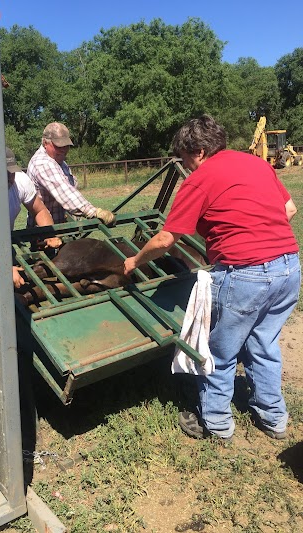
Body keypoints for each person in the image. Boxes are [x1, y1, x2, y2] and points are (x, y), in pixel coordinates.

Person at [124, 114, 300, 441]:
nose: (186, 166)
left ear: (199, 152)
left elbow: (165, 239)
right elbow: (290, 209)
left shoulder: (201, 178)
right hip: (288, 268)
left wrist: (135, 260)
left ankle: (216, 424)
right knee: (264, 344)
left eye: (186, 158)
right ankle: (274, 419)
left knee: (219, 350)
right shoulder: (256, 164)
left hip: (244, 273)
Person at [27, 122, 115, 225]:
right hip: (44, 232)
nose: (63, 150)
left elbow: (71, 188)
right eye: (59, 146)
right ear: (46, 143)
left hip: (59, 225)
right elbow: (65, 192)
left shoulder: (60, 163)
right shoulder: (42, 163)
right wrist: (94, 212)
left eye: (66, 146)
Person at [7, 147, 62, 288]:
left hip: (4, 244)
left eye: (11, 172)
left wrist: (48, 234)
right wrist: (4, 268)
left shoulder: (20, 181)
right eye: (4, 172)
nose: (9, 177)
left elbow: (39, 211)